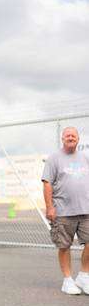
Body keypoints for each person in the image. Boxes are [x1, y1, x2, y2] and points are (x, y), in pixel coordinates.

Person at [42, 126, 89, 295]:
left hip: (85, 211)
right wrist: (49, 207)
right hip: (62, 211)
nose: (71, 137)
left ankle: (84, 276)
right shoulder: (54, 158)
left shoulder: (84, 158)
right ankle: (67, 280)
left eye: (74, 135)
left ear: (78, 139)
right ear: (62, 139)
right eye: (67, 135)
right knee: (64, 246)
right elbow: (47, 183)